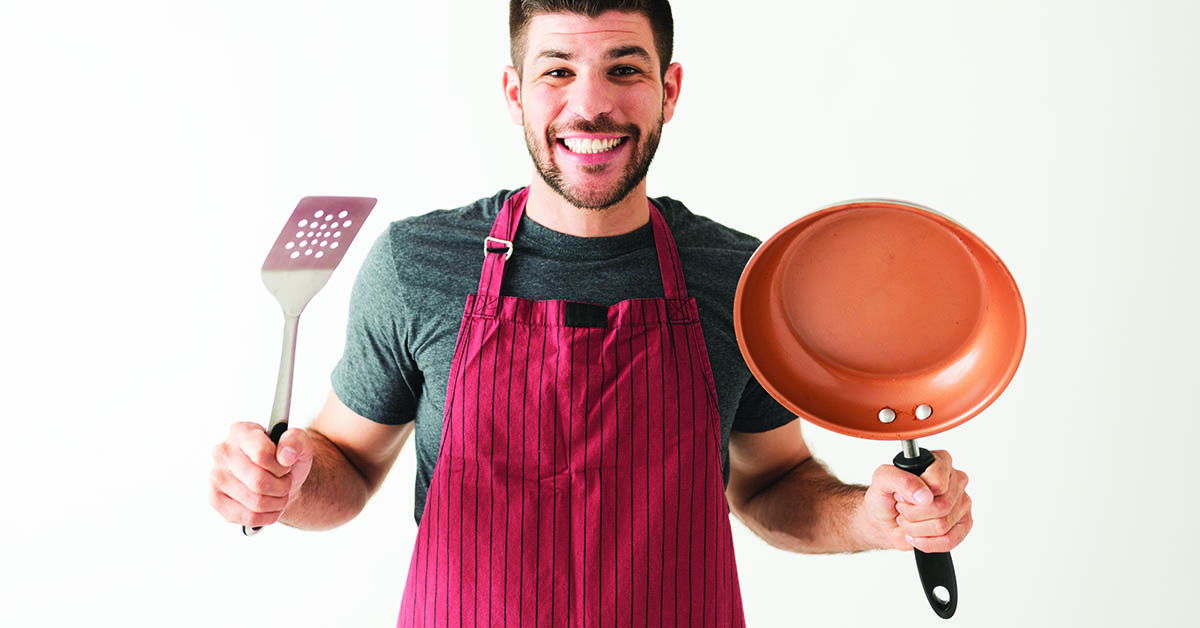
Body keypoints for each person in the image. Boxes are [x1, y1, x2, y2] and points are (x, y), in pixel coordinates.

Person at [209, 1, 973, 625]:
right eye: (557, 71)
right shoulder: (420, 265)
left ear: (670, 88)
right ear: (515, 93)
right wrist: (285, 480)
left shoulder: (740, 278)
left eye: (624, 69)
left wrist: (870, 520)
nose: (591, 103)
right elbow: (347, 462)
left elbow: (772, 485)